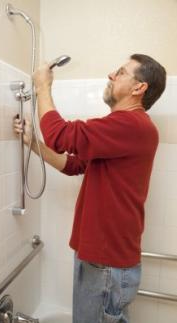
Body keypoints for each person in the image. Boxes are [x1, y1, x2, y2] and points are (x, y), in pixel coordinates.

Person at [14, 54, 166, 323]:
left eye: (120, 72)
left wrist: (42, 87)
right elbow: (73, 165)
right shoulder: (123, 129)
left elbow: (59, 136)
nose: (111, 75)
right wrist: (32, 142)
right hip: (101, 258)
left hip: (106, 262)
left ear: (138, 88)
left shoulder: (132, 125)